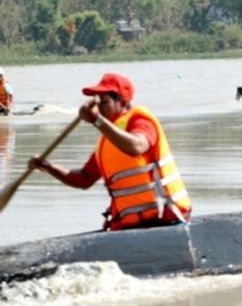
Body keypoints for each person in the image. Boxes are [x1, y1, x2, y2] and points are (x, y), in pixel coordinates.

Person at [28, 72, 192, 230]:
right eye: (97, 103)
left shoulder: (140, 120)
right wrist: (48, 167)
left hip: (167, 221)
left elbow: (137, 146)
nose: (98, 107)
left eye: (104, 102)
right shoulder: (107, 140)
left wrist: (97, 120)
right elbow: (84, 179)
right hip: (132, 225)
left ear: (121, 101)